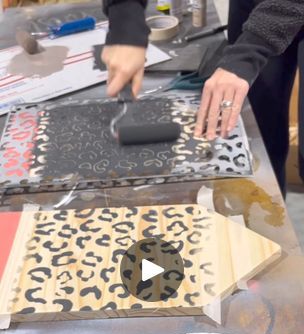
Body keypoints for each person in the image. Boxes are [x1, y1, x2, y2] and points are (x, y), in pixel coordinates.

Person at [102, 0, 304, 194]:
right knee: (259, 134)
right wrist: (125, 15)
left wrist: (247, 53)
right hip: (255, 5)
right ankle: (267, 212)